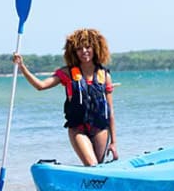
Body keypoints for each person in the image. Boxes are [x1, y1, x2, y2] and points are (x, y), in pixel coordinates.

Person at [13, 28, 118, 166]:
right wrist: (22, 67)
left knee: (98, 169)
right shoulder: (67, 73)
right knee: (92, 165)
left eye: (88, 47)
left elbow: (110, 111)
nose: (84, 51)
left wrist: (114, 143)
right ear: (74, 52)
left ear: (96, 48)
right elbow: (41, 85)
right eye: (79, 48)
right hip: (78, 129)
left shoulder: (104, 75)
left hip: (100, 129)